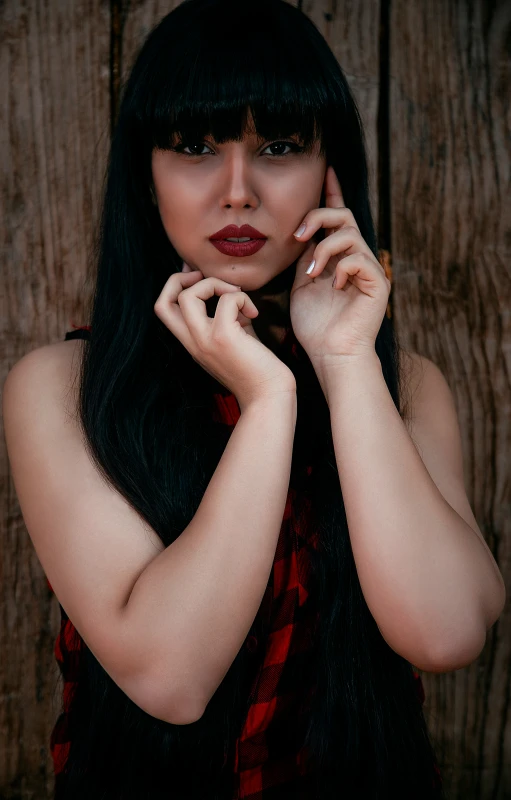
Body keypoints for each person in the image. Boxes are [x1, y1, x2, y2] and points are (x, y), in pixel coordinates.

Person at [3, 0, 505, 797]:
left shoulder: (402, 387)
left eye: (277, 146)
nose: (237, 192)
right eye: (195, 147)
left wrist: (342, 366)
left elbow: (443, 635)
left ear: (328, 171)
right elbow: (171, 678)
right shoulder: (62, 389)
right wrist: (268, 400)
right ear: (146, 173)